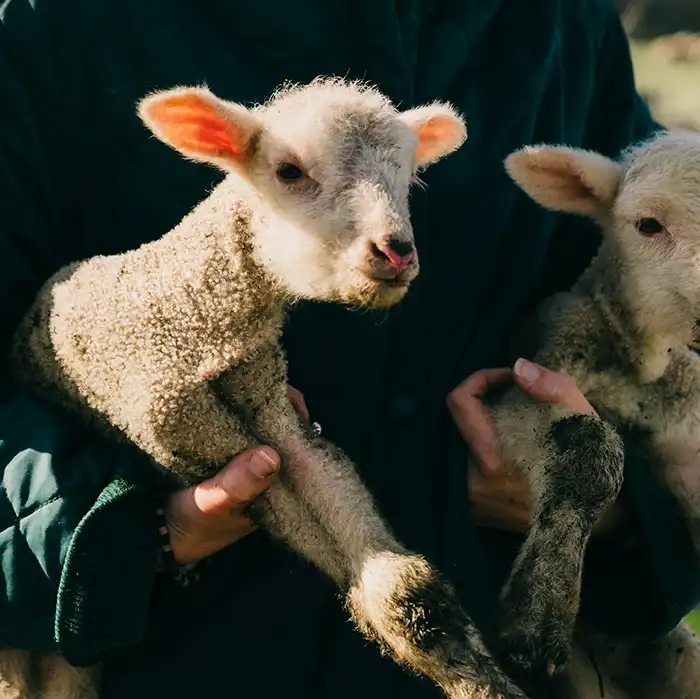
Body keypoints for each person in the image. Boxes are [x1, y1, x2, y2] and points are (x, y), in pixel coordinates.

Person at [1, 0, 699, 697]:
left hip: (501, 648)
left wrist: (611, 505)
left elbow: (652, 316)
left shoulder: (556, 27)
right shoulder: (58, 29)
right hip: (184, 662)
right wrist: (132, 533)